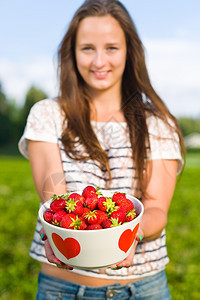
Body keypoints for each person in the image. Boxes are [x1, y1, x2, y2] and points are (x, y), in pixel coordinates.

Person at [18, 0, 185, 299]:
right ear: (71, 52)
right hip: (62, 288)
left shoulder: (157, 123)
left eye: (111, 47)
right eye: (87, 48)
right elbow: (56, 199)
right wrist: (60, 233)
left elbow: (157, 209)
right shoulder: (47, 115)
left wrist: (128, 233)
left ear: (129, 51)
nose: (98, 61)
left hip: (142, 289)